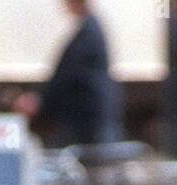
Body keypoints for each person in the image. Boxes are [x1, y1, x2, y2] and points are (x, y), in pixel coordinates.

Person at [12, 0, 122, 148]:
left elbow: (67, 75)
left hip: (85, 122)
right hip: (86, 120)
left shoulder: (87, 33)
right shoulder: (88, 30)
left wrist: (39, 99)